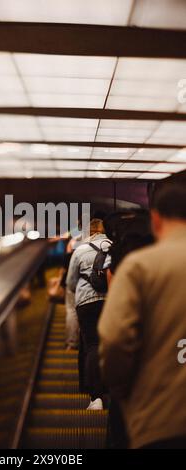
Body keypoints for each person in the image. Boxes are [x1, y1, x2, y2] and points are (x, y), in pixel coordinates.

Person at [98, 179, 186, 449]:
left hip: (160, 422)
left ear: (156, 220)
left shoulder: (140, 267)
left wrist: (120, 389)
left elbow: (115, 340)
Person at [66, 218, 111, 410]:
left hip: (86, 302)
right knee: (110, 344)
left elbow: (70, 282)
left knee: (92, 345)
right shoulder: (114, 247)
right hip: (110, 301)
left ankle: (96, 398)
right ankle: (115, 393)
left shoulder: (80, 250)